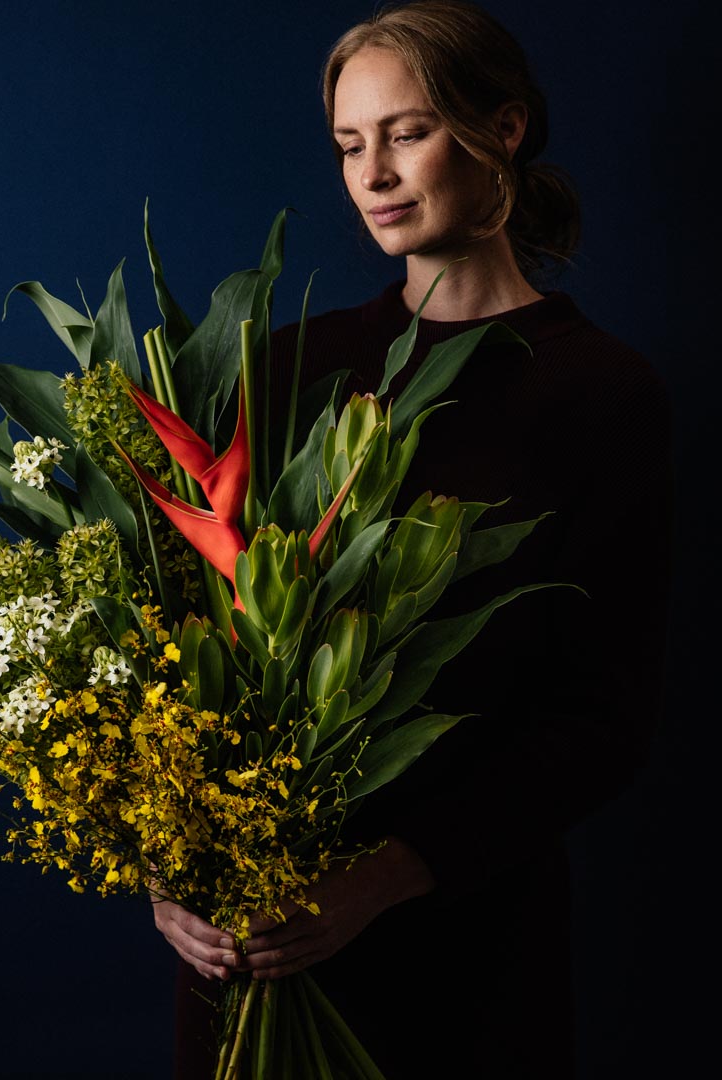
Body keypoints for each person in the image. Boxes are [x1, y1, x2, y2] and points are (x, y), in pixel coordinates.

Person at [151, 2, 673, 1078]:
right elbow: (177, 644)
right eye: (351, 144)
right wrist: (169, 868)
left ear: (504, 131)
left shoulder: (602, 392)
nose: (374, 173)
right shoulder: (288, 365)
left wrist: (383, 877)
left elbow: (603, 722)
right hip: (250, 960)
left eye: (409, 131)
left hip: (465, 962)